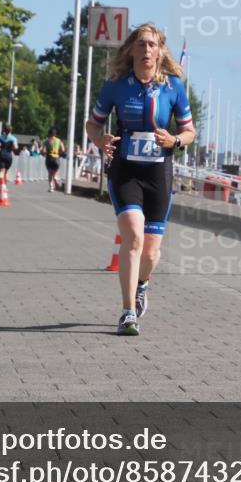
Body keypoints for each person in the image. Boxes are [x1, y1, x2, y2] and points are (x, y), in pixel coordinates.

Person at [85, 23, 195, 336]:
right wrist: (100, 139)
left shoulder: (173, 86)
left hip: (159, 171)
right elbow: (92, 124)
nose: (146, 50)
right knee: (132, 235)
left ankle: (142, 285)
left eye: (152, 45)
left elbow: (189, 132)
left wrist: (174, 140)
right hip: (125, 168)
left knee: (150, 252)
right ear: (132, 49)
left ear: (160, 51)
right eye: (141, 44)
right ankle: (127, 312)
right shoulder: (116, 84)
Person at [42, 128, 65, 192]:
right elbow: (63, 149)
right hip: (56, 158)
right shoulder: (59, 140)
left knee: (49, 174)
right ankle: (55, 177)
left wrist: (44, 154)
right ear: (55, 134)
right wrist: (59, 154)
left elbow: (43, 150)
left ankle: (51, 187)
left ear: (49, 133)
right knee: (55, 171)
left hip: (49, 158)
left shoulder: (46, 141)